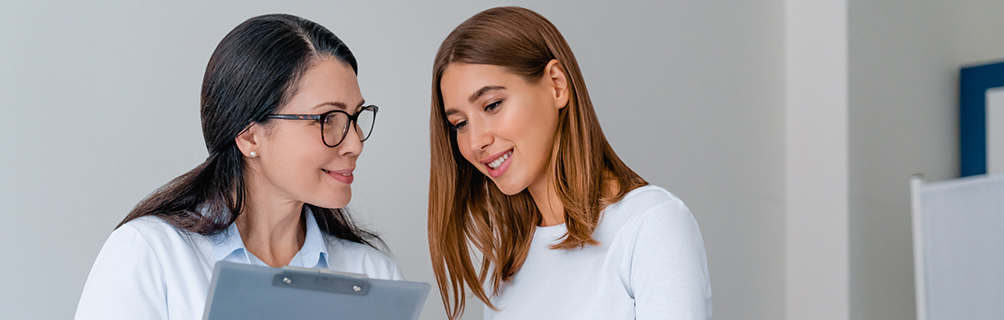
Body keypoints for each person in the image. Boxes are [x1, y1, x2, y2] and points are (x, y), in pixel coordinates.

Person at [75, 14, 400, 320]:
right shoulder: (151, 255)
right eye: (328, 119)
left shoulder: (373, 274)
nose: (355, 143)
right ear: (249, 136)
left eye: (356, 117)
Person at [428, 6, 712, 320]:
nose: (475, 141)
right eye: (459, 124)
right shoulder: (508, 259)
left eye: (492, 105)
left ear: (557, 84)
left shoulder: (651, 225)